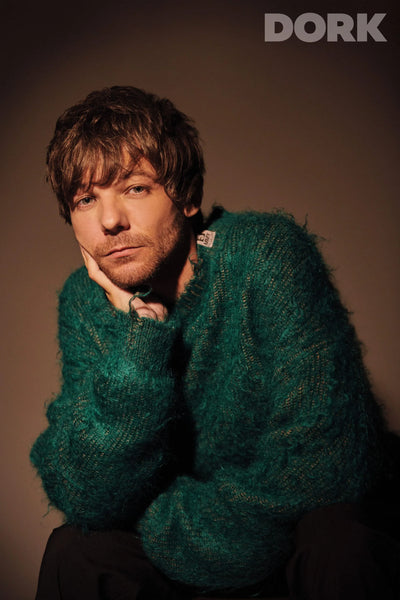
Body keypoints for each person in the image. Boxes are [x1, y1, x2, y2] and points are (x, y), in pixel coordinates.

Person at [30, 86, 400, 600]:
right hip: (196, 547)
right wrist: (141, 334)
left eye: (135, 188)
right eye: (86, 200)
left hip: (285, 539)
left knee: (342, 539)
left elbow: (328, 461)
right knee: (78, 551)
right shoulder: (87, 300)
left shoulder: (264, 256)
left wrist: (162, 521)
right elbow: (88, 492)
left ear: (186, 198)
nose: (109, 221)